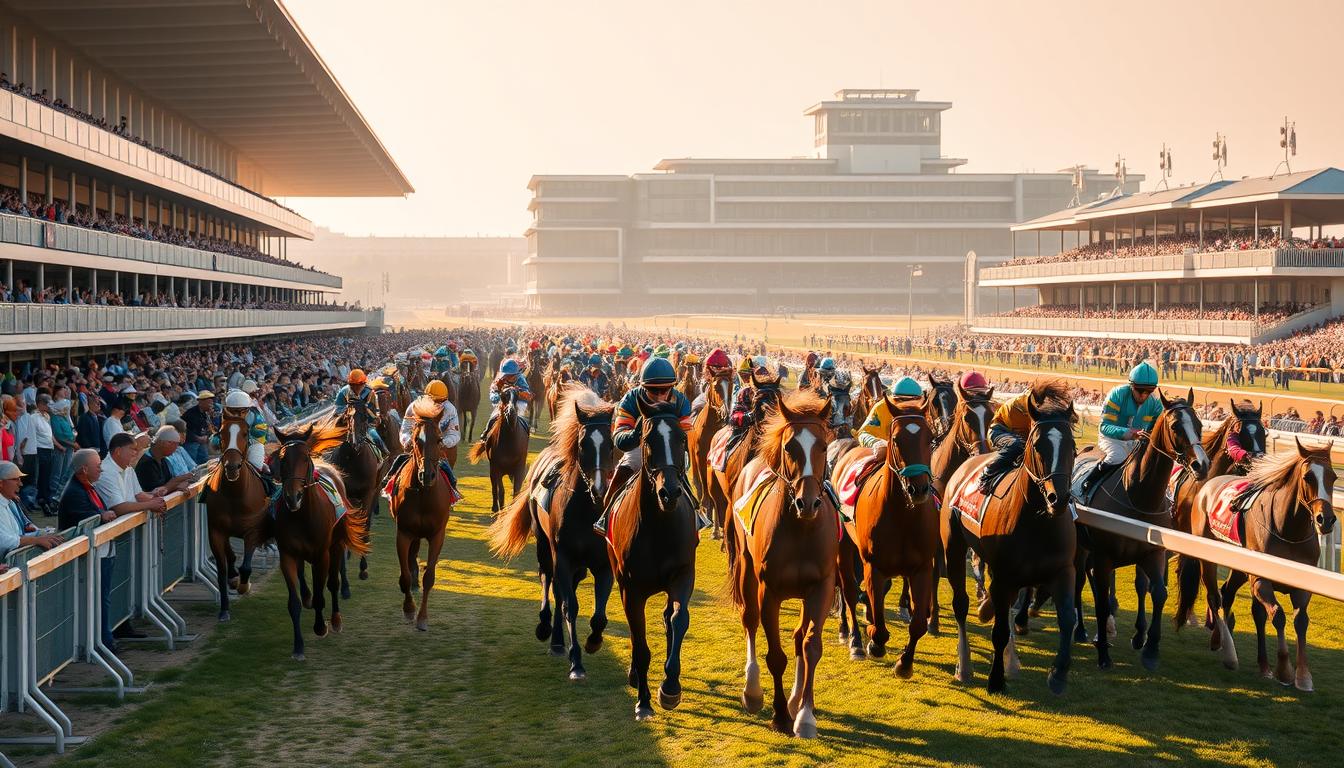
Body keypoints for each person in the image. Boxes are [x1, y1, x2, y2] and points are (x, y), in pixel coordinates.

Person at [593, 357, 695, 535]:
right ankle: (606, 516)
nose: (659, 395)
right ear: (643, 387)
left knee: (684, 482)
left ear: (672, 386)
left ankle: (696, 520)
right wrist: (636, 433)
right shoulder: (630, 399)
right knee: (621, 474)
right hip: (639, 448)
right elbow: (619, 438)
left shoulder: (681, 402)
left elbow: (686, 436)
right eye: (652, 390)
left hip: (669, 448)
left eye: (664, 390)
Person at [92, 434, 167, 647]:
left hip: (124, 536)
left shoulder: (128, 470)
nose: (136, 453)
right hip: (109, 538)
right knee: (110, 587)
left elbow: (138, 495)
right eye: (131, 449)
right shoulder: (106, 473)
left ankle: (122, 624)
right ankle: (109, 632)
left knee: (123, 581)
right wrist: (151, 505)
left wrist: (157, 497)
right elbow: (120, 506)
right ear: (117, 451)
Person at [1080, 362, 1165, 493]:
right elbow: (1105, 427)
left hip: (1137, 442)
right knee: (1117, 456)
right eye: (1140, 390)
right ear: (1132, 386)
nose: (1144, 395)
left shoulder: (1155, 404)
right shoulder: (1117, 394)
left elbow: (1157, 431)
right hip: (1111, 439)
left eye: (1149, 391)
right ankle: (1090, 481)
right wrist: (1129, 433)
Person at [384, 379, 462, 498]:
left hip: (437, 446)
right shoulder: (414, 406)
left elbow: (454, 434)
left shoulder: (450, 409)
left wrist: (444, 442)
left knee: (445, 465)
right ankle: (390, 483)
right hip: (417, 445)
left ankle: (452, 488)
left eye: (441, 401)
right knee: (401, 458)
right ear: (427, 397)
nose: (438, 404)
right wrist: (408, 440)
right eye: (435, 400)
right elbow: (405, 429)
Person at [857, 376, 925, 464]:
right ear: (894, 398)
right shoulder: (881, 408)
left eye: (913, 401)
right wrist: (877, 443)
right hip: (882, 456)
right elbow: (863, 433)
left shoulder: (922, 411)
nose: (907, 407)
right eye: (902, 400)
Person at [0, 461, 62, 558]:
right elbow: (4, 542)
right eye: (16, 479)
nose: (20, 484)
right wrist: (36, 540)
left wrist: (33, 530)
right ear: (1, 483)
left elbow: (17, 533)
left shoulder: (10, 502)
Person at [333, 369, 387, 454]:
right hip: (347, 425)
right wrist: (348, 410)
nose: (357, 387)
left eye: (360, 385)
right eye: (353, 385)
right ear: (350, 384)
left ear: (363, 383)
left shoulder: (369, 391)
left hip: (366, 423)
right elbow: (337, 410)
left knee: (375, 437)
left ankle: (385, 454)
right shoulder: (343, 392)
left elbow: (375, 410)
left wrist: (374, 418)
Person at [479, 359, 532, 438]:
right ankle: (486, 433)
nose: (508, 377)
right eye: (506, 374)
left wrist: (519, 392)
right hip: (503, 402)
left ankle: (525, 434)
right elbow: (493, 393)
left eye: (511, 375)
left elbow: (526, 392)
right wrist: (498, 396)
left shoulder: (521, 379)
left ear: (516, 373)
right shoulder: (500, 380)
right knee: (494, 416)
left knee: (520, 416)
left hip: (518, 402)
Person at [135, 426, 193, 496]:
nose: (176, 448)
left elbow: (167, 484)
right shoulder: (146, 464)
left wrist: (177, 485)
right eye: (175, 444)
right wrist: (176, 483)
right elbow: (156, 492)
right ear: (164, 443)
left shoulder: (162, 459)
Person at [182, 390, 214, 464]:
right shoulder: (191, 413)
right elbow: (184, 429)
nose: (211, 404)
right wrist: (197, 438)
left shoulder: (205, 413)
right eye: (209, 402)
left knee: (204, 460)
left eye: (212, 402)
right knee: (192, 463)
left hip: (201, 441)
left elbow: (208, 428)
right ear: (201, 402)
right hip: (190, 442)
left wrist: (210, 416)